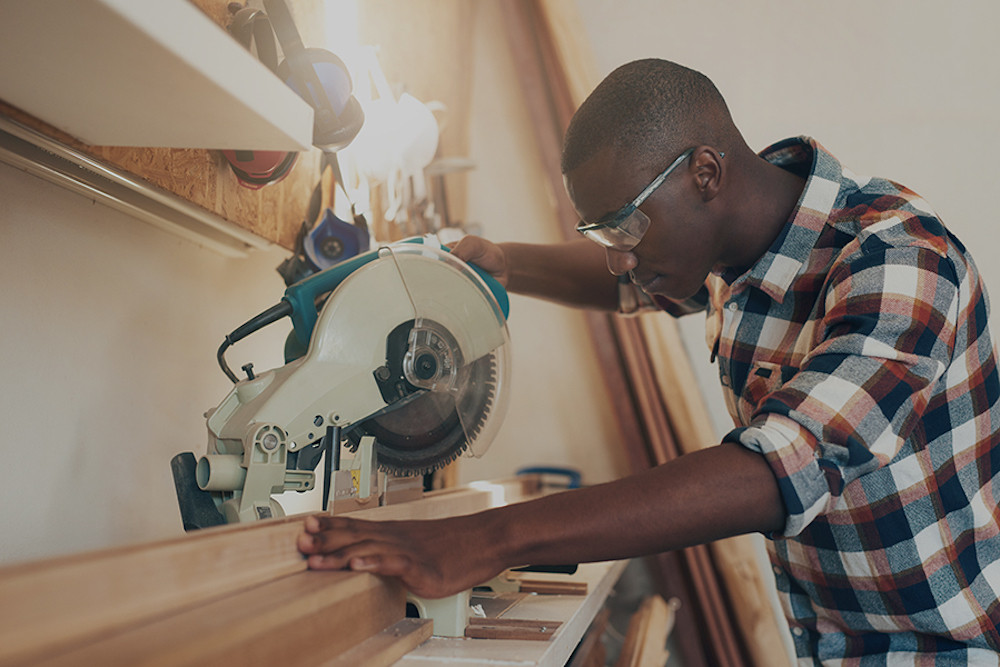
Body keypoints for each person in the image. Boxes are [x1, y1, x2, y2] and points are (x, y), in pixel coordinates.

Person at [298, 59, 1000, 664]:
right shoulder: (741, 246)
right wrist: (507, 263)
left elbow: (775, 470)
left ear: (705, 173)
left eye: (626, 225)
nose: (619, 254)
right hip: (836, 639)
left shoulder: (899, 260)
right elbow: (628, 280)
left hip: (943, 645)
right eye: (603, 230)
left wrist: (486, 538)